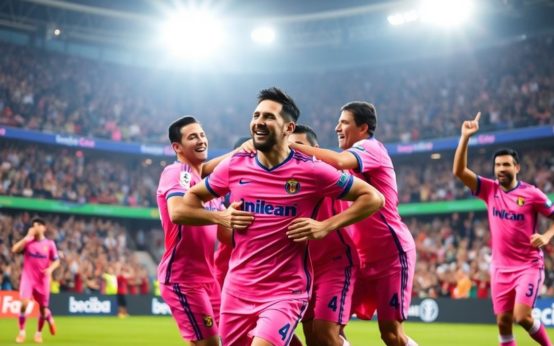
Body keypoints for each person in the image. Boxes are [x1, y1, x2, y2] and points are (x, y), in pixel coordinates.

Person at [172, 87, 384, 346]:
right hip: (237, 290)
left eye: (269, 117)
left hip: (285, 292)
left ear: (288, 128)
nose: (259, 122)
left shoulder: (311, 171)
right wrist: (220, 217)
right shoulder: (235, 165)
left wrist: (325, 226)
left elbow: (373, 197)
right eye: (256, 115)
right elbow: (190, 200)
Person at [289, 101, 417, 346]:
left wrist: (288, 145)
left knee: (391, 334)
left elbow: (337, 161)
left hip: (392, 254)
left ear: (363, 128)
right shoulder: (344, 170)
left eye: (344, 122)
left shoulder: (371, 147)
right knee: (324, 331)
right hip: (362, 259)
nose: (337, 127)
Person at [453, 112, 554, 346]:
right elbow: (459, 171)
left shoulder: (532, 194)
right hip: (500, 268)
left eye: (506, 164)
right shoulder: (489, 190)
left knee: (522, 316)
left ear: (516, 167)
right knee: (503, 322)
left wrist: (547, 236)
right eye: (497, 165)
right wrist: (465, 137)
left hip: (528, 266)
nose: (501, 169)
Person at [157, 116, 226, 346]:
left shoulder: (205, 185)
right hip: (182, 278)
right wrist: (220, 216)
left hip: (209, 278)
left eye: (202, 134)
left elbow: (227, 236)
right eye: (192, 136)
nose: (201, 140)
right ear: (177, 147)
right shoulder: (176, 172)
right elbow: (177, 213)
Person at [290, 125, 358, 346]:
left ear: (315, 149)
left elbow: (372, 198)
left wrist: (325, 226)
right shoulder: (285, 179)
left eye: (298, 145)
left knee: (325, 334)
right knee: (314, 337)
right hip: (305, 270)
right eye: (288, 145)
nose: (292, 150)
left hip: (335, 263)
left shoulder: (325, 170)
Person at [12, 217, 59, 344]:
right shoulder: (28, 242)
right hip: (28, 278)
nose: (35, 227)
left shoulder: (50, 244)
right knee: (24, 304)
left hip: (43, 280)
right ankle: (22, 332)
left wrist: (50, 269)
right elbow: (14, 249)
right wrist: (26, 237)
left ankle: (39, 332)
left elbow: (57, 261)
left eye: (38, 225)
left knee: (43, 310)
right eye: (33, 225)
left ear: (44, 228)